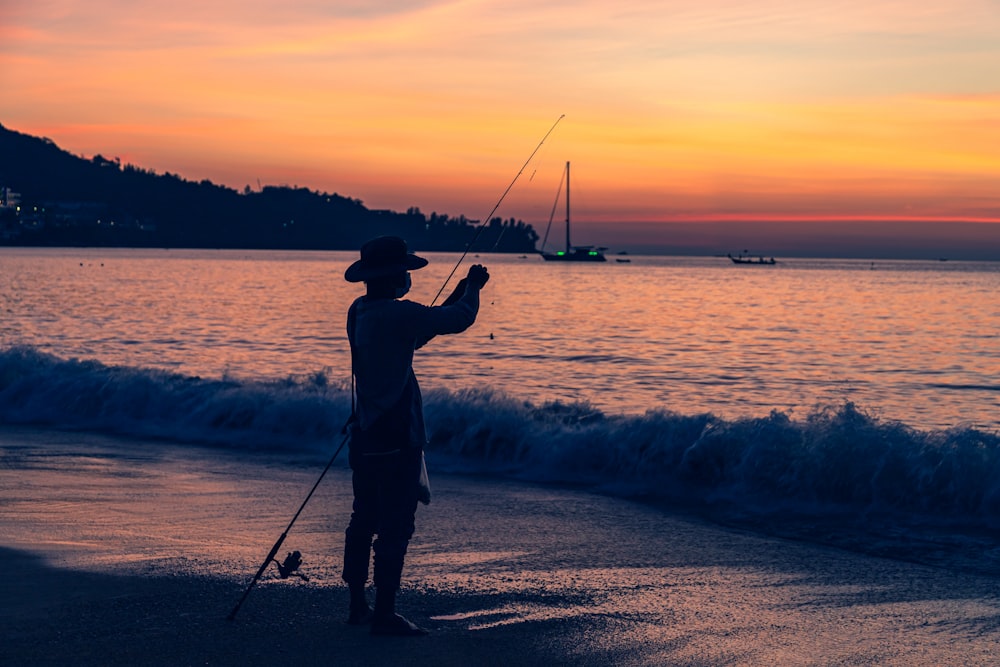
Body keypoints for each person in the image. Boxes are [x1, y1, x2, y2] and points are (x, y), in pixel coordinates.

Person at [341, 235, 489, 637]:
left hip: (365, 435)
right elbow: (458, 320)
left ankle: (358, 606)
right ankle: (385, 614)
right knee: (396, 526)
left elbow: (422, 332)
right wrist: (473, 288)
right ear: (394, 277)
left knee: (363, 518)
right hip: (396, 439)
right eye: (404, 272)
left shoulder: (360, 311)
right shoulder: (398, 315)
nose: (408, 277)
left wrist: (460, 290)